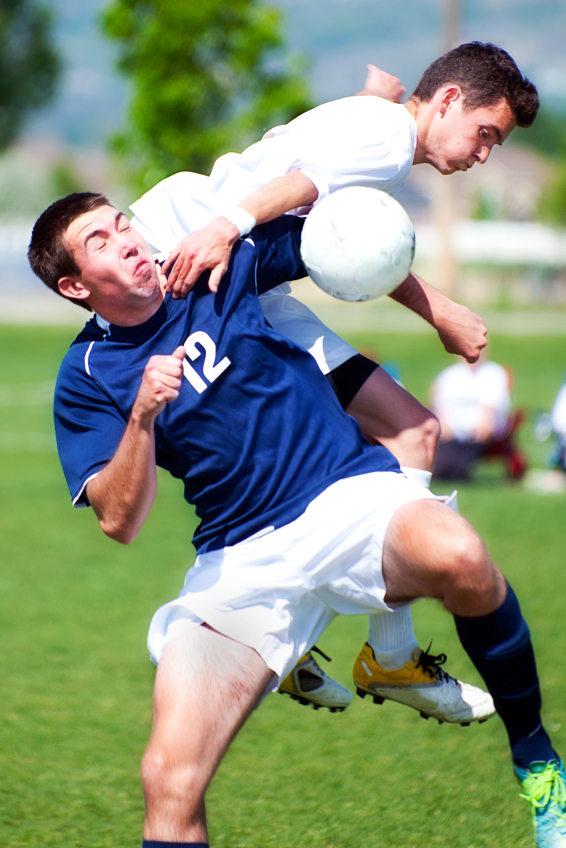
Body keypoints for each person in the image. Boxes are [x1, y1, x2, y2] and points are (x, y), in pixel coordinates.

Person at [28, 193, 565, 848]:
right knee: (168, 779)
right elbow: (118, 519)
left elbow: (338, 232)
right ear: (74, 285)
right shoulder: (87, 374)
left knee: (461, 556)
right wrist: (140, 417)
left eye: (123, 224)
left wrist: (439, 309)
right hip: (239, 562)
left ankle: (537, 762)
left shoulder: (210, 267)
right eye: (101, 241)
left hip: (347, 498)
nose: (129, 241)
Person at [123, 42, 539, 713]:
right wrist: (224, 228)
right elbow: (306, 188)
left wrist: (372, 97)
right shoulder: (388, 139)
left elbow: (332, 217)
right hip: (199, 275)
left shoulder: (380, 127)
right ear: (451, 100)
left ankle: (389, 656)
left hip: (256, 294)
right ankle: (216, 629)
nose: (483, 154)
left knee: (414, 431)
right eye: (484, 134)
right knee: (276, 468)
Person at [431, 350, 516, 480]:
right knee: (440, 469)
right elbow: (439, 407)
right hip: (452, 433)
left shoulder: (494, 373)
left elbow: (493, 408)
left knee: (458, 468)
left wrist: (483, 426)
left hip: (479, 434)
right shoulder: (449, 376)